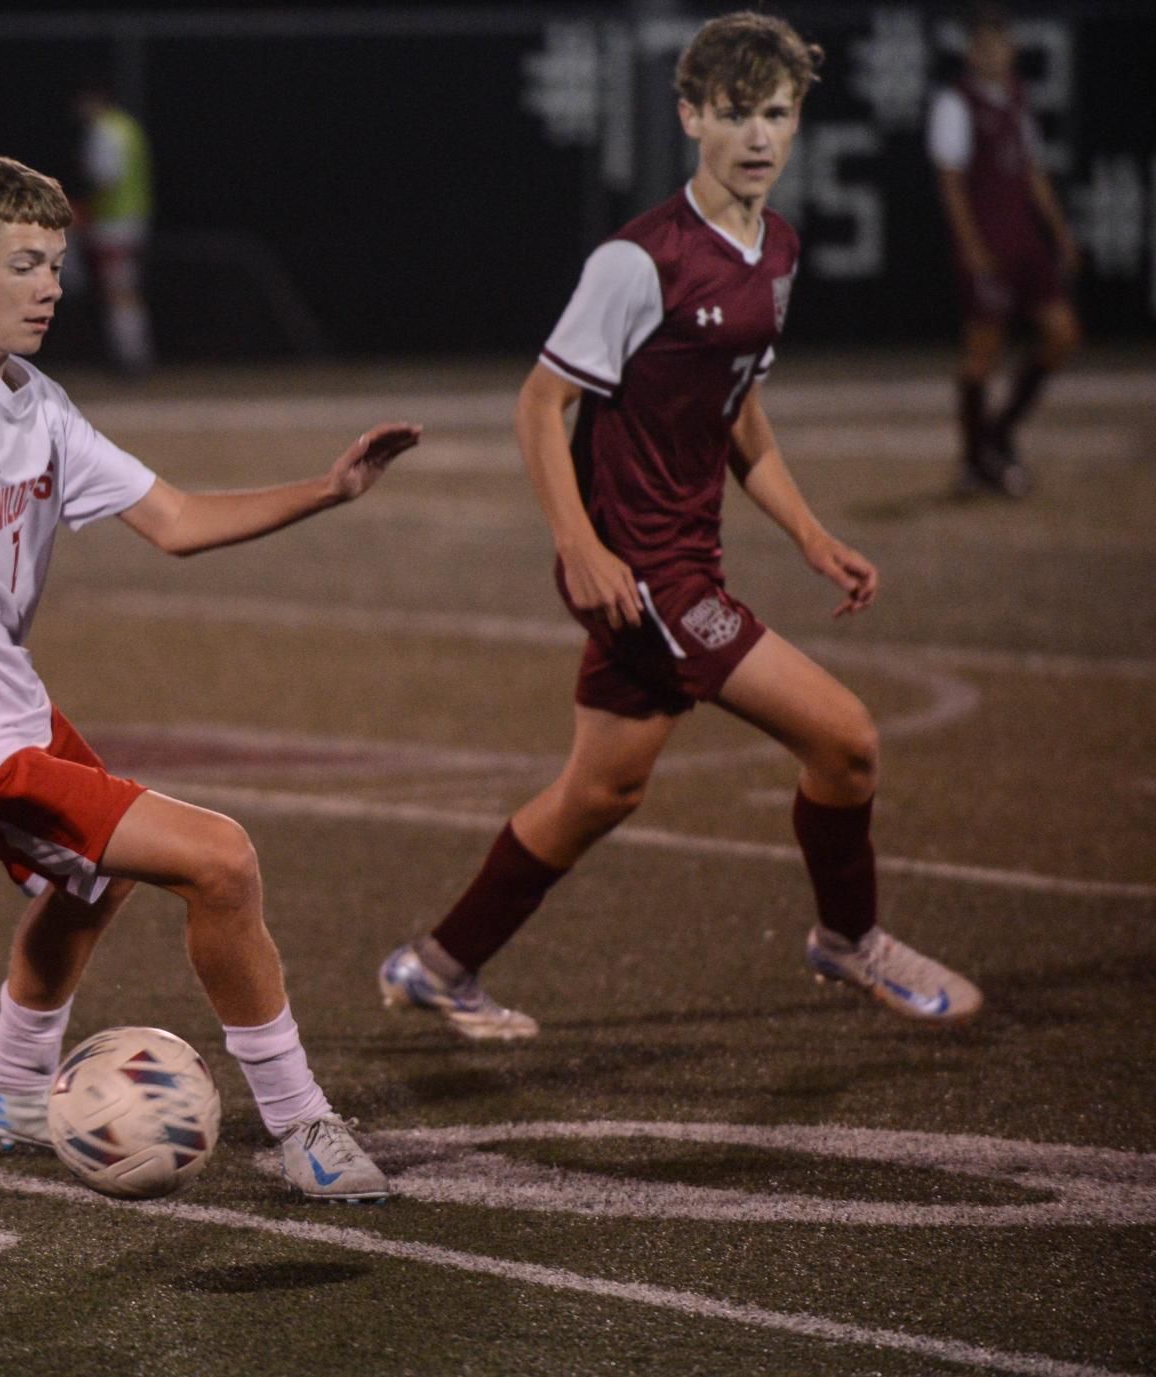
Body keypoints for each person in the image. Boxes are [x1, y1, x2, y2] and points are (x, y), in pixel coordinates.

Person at [0, 153, 420, 1201]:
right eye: (25, 263)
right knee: (221, 861)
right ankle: (302, 1124)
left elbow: (175, 522)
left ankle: (12, 1085)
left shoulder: (34, 399)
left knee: (94, 877)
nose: (52, 286)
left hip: (12, 710)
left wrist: (330, 489)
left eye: (57, 263)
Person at [380, 12, 982, 1042]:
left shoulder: (776, 248)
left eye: (778, 114)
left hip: (682, 558)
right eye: (736, 113)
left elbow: (737, 405)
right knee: (846, 742)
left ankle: (437, 966)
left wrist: (807, 533)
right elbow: (539, 404)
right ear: (691, 116)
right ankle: (849, 940)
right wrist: (581, 543)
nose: (758, 135)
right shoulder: (638, 261)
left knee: (602, 789)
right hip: (649, 575)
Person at [929, 4, 1081, 497]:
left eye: (999, 43)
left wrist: (1058, 232)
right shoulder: (956, 104)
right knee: (981, 355)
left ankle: (997, 435)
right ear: (970, 53)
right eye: (983, 45)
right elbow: (951, 184)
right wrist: (971, 248)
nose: (993, 53)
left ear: (1011, 48)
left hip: (1026, 245)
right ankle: (975, 461)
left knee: (1062, 334)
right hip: (989, 247)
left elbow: (1032, 172)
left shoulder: (1016, 98)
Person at [72, 89, 154, 378]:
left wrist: (84, 210)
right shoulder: (128, 127)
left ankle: (131, 359)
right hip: (131, 221)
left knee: (119, 293)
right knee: (123, 291)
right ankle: (130, 356)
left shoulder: (106, 132)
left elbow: (105, 179)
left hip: (113, 226)